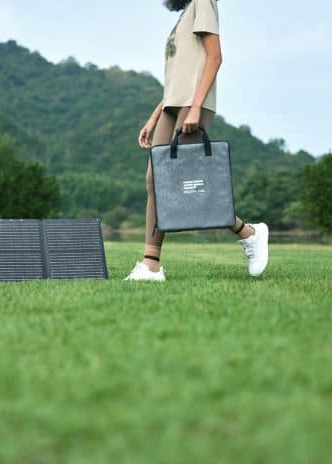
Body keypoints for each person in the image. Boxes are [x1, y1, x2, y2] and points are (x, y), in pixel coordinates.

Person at [125, 0, 269, 282]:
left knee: (191, 184)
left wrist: (195, 106)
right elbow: (178, 80)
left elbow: (215, 57)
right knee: (155, 180)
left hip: (193, 105)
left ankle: (250, 234)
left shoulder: (203, 1)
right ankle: (151, 265)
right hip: (172, 106)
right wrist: (154, 117)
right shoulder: (184, 15)